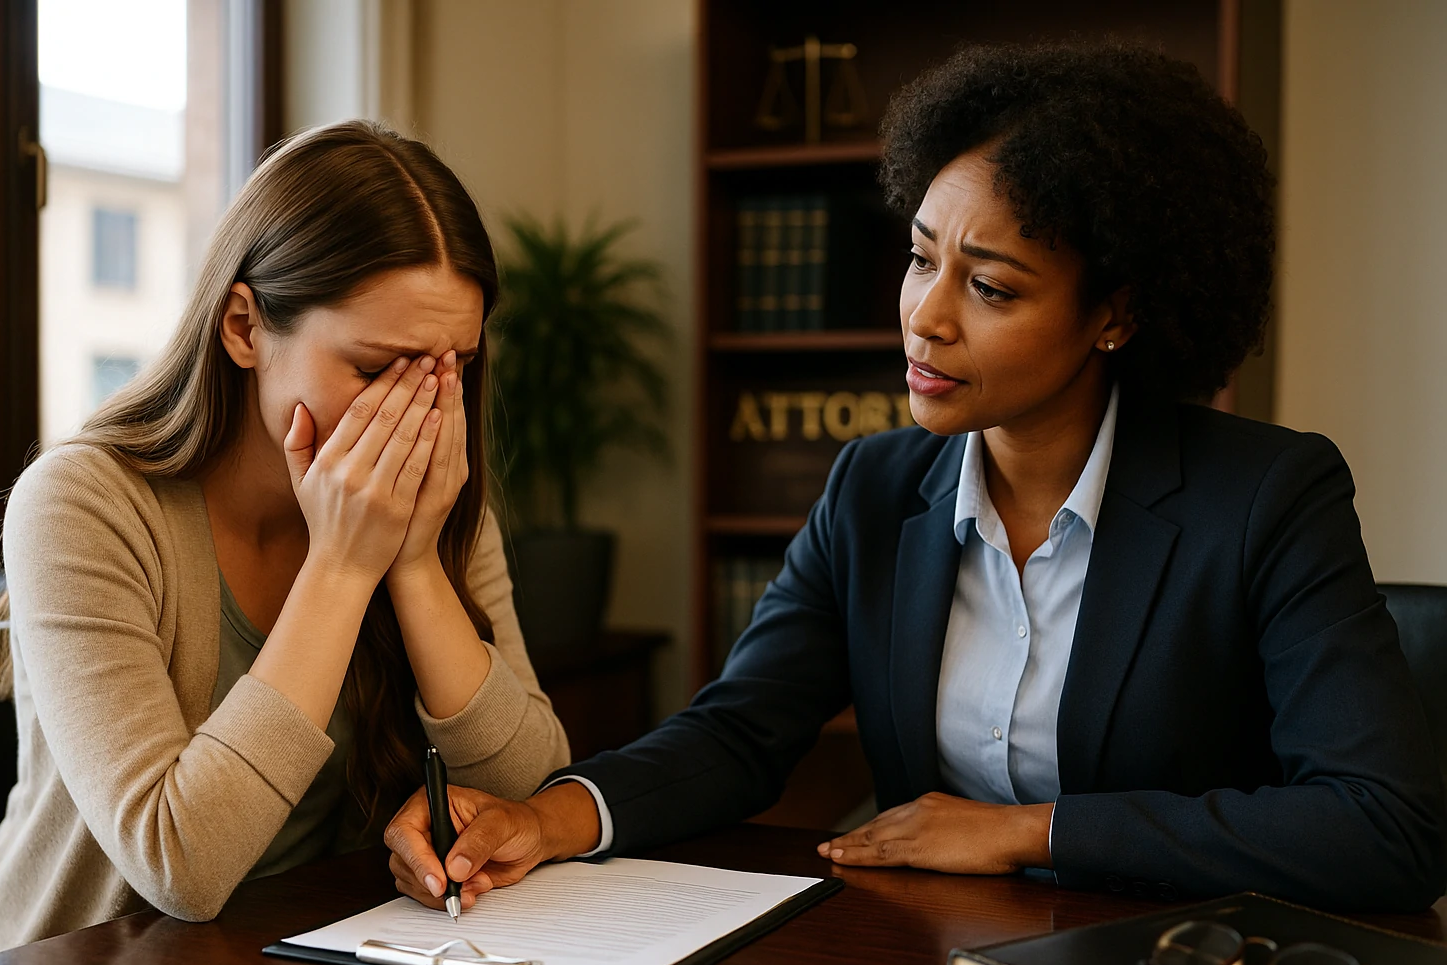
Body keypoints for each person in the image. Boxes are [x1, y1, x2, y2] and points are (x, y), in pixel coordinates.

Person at [383, 41, 1447, 915]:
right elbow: (741, 732)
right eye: (920, 256)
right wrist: (548, 815)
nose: (926, 315)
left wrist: (1023, 832)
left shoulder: (1266, 497)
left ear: (1116, 314)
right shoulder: (874, 491)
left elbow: (1384, 824)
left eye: (989, 286)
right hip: (926, 962)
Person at [0, 121, 569, 960]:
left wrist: (417, 565)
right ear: (245, 327)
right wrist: (346, 566)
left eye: (453, 365)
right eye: (375, 367)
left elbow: (529, 786)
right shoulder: (79, 507)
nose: (424, 412)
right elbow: (182, 867)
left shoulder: (435, 506)